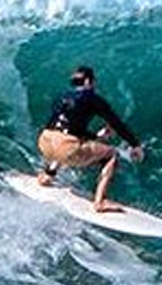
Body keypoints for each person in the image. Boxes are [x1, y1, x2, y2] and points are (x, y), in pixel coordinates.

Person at [37, 65, 145, 212]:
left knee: (67, 144)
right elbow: (117, 124)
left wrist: (96, 136)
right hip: (66, 147)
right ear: (88, 81)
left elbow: (66, 128)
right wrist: (135, 145)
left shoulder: (61, 96)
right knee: (111, 154)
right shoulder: (93, 99)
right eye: (94, 81)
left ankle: (46, 176)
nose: (94, 85)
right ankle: (99, 202)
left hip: (45, 142)